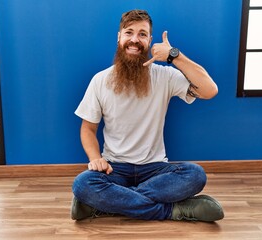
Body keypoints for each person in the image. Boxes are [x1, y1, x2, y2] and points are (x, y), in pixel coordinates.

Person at [71, 9, 224, 221]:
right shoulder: (100, 80)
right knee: (82, 183)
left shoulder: (165, 76)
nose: (135, 40)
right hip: (113, 169)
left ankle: (108, 205)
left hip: (155, 170)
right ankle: (174, 210)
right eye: (129, 32)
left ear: (150, 40)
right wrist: (95, 158)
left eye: (142, 34)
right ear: (119, 37)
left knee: (195, 175)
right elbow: (88, 129)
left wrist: (174, 56)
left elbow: (210, 90)